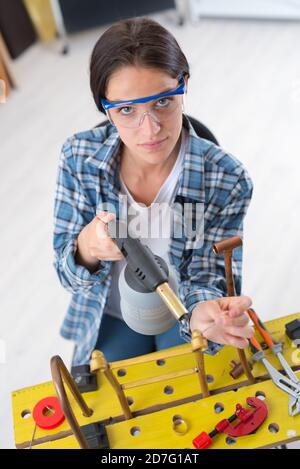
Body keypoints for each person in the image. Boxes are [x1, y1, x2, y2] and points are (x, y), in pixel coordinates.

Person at [53, 17, 254, 366]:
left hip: (183, 309)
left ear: (184, 85)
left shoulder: (228, 179)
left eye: (163, 101)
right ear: (105, 108)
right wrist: (87, 246)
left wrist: (204, 309)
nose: (150, 129)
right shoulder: (78, 159)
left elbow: (209, 275)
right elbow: (67, 277)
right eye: (127, 110)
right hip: (111, 314)